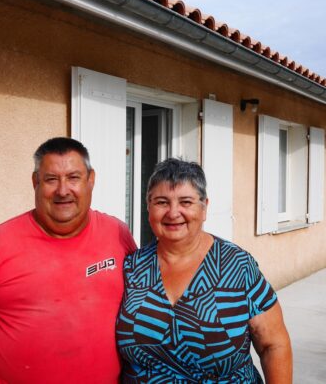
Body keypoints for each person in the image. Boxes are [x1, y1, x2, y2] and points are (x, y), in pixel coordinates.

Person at [0, 137, 136, 384]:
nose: (63, 190)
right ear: (35, 182)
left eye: (73, 177)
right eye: (51, 179)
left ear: (91, 180)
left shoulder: (118, 235)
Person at [116, 158, 292, 383]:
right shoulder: (133, 267)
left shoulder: (237, 265)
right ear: (148, 207)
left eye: (186, 202)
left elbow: (273, 344)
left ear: (204, 207)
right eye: (162, 202)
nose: (173, 212)